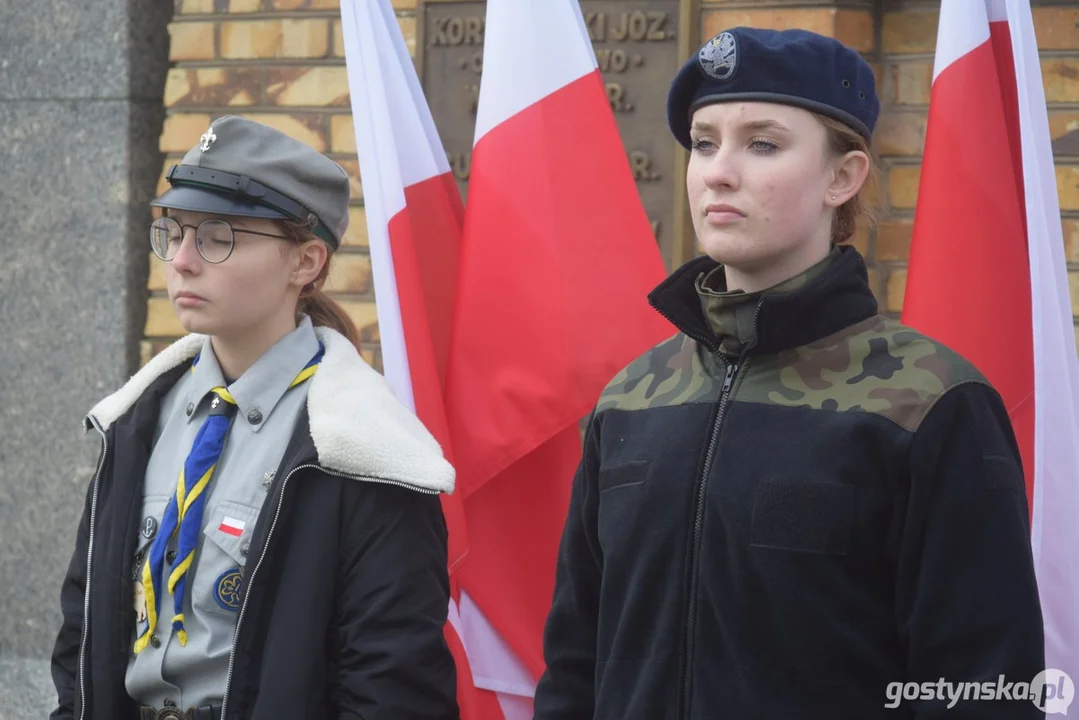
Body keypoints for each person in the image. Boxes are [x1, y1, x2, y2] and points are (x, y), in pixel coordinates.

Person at [533, 27, 1045, 719]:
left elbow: (980, 685)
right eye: (703, 141)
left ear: (842, 176)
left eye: (762, 143)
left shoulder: (928, 401)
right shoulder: (630, 401)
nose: (717, 169)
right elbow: (574, 664)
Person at [49, 116, 460, 720]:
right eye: (174, 231)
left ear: (306, 262)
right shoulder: (136, 422)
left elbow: (391, 687)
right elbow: (82, 642)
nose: (184, 260)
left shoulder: (364, 445)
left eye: (219, 236)